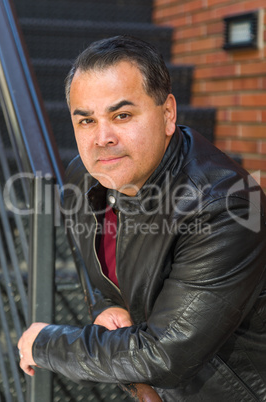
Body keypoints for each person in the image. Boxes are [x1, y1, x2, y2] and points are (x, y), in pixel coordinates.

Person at [18, 35, 266, 401]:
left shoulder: (225, 209)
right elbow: (102, 275)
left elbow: (164, 355)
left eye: (122, 115)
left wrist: (46, 344)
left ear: (167, 114)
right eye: (86, 121)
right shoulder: (86, 178)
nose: (102, 138)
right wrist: (109, 308)